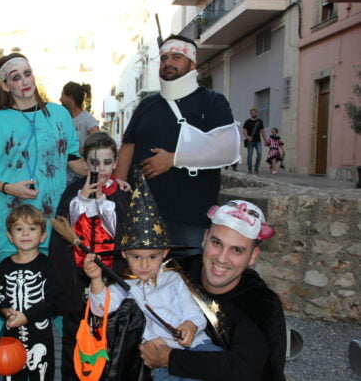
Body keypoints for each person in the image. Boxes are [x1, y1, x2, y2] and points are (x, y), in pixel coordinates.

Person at [83, 171, 222, 381]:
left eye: (153, 256)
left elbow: (194, 312)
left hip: (199, 347)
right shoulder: (122, 286)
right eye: (137, 257)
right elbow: (101, 308)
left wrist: (190, 326)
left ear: (165, 253)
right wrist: (95, 280)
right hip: (160, 361)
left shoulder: (174, 279)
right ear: (125, 254)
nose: (145, 264)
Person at [114, 35, 240, 257]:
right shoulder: (146, 105)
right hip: (143, 214)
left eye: (176, 57)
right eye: (163, 58)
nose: (168, 63)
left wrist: (173, 159)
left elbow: (228, 147)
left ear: (193, 64)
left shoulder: (212, 102)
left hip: (190, 218)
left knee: (188, 281)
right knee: (141, 282)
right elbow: (127, 149)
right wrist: (116, 197)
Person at [139, 199, 286, 381]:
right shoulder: (175, 273)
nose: (222, 259)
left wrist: (168, 357)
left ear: (253, 256)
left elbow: (245, 369)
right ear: (204, 238)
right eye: (217, 243)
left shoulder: (259, 302)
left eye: (237, 250)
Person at [0, 52, 82, 265]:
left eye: (27, 73)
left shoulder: (58, 115)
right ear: (5, 85)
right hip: (9, 226)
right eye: (15, 77)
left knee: (51, 290)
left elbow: (73, 159)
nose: (23, 81)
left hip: (52, 224)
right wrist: (9, 188)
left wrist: (105, 174)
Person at [49, 132, 131, 380]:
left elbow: (127, 236)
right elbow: (61, 231)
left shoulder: (123, 193)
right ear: (85, 164)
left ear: (116, 162)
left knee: (109, 339)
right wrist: (82, 200)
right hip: (77, 281)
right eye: (95, 163)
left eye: (107, 162)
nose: (101, 168)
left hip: (111, 282)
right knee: (74, 336)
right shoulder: (73, 192)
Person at [0, 204, 63, 381]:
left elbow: (54, 301)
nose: (25, 233)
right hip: (11, 338)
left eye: (32, 228)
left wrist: (27, 316)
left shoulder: (47, 266)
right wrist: (6, 311)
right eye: (19, 229)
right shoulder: (3, 267)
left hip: (40, 337)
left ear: (43, 236)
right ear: (10, 236)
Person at [60, 82, 99, 184]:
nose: (60, 99)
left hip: (81, 176)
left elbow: (98, 141)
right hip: (65, 175)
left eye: (62, 95)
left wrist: (80, 151)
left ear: (70, 97)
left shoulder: (87, 119)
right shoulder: (65, 119)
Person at [243, 107, 267, 174]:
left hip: (258, 141)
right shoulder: (247, 121)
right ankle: (250, 169)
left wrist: (265, 139)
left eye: (254, 112)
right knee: (250, 155)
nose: (253, 113)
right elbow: (244, 131)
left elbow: (262, 131)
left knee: (259, 154)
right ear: (250, 114)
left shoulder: (260, 121)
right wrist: (248, 137)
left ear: (257, 113)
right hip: (250, 141)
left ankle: (256, 168)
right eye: (252, 112)